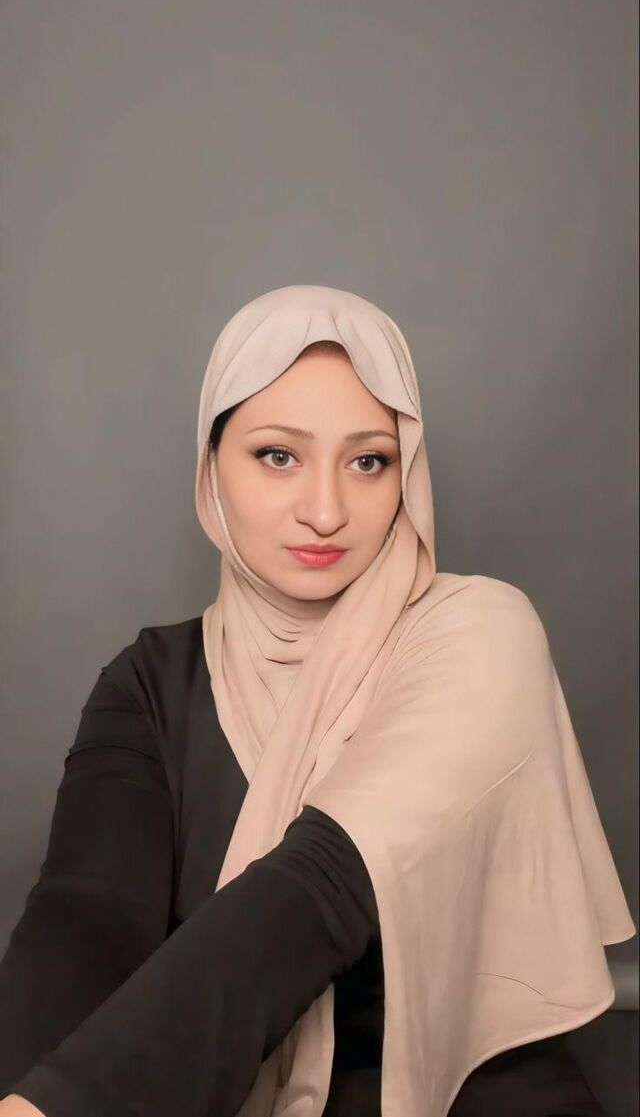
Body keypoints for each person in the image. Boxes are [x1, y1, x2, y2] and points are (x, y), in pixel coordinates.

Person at [0, 284, 635, 1117]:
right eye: (278, 455)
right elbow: (87, 917)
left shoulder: (479, 630)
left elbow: (321, 889)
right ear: (212, 469)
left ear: (406, 471)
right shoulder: (152, 679)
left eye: (368, 460)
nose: (326, 510)